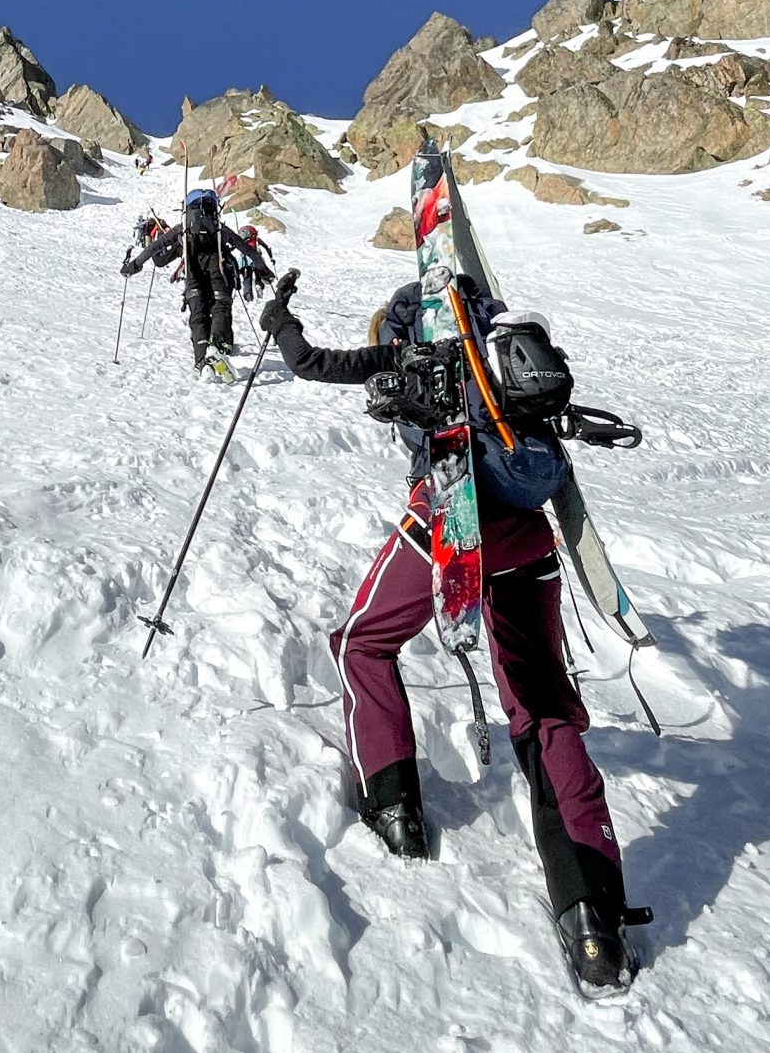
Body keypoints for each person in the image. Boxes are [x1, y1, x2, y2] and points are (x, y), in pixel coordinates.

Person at [256, 267, 643, 994]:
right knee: (543, 708)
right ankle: (593, 923)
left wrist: (279, 318)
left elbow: (309, 365)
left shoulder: (401, 348)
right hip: (529, 536)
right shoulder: (492, 348)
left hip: (447, 525)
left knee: (362, 643)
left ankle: (396, 809)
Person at [121, 185, 247, 375]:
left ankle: (202, 361)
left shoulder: (184, 232)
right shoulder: (219, 229)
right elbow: (246, 248)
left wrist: (134, 265)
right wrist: (264, 269)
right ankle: (219, 345)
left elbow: (158, 255)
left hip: (194, 280)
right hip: (218, 276)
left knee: (198, 318)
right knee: (221, 307)